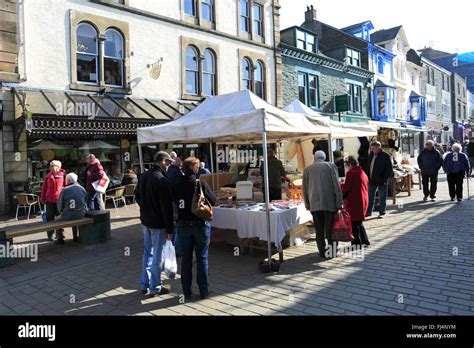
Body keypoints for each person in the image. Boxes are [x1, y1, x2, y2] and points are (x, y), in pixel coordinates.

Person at [173, 157, 217, 300]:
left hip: (183, 225)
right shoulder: (200, 183)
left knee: (186, 259)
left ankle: (187, 292)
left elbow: (174, 202)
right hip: (200, 224)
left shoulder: (177, 184)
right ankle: (203, 291)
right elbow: (214, 200)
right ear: (195, 168)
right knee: (202, 258)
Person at [135, 151, 174, 297]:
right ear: (163, 161)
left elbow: (137, 196)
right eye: (169, 163)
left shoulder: (144, 175)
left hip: (146, 220)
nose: (169, 166)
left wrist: (146, 209)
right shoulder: (162, 180)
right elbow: (166, 207)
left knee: (148, 253)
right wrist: (170, 228)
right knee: (157, 255)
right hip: (157, 223)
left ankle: (144, 284)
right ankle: (155, 287)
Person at [303, 151, 343, 259]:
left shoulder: (307, 169)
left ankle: (322, 251)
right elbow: (336, 186)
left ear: (315, 158)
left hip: (314, 204)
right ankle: (332, 251)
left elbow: (305, 189)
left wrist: (307, 204)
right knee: (331, 229)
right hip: (329, 203)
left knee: (319, 230)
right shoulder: (331, 166)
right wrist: (339, 203)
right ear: (324, 158)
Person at [341, 156, 370, 247]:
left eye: (347, 165)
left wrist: (341, 196)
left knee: (354, 223)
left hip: (355, 200)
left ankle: (357, 242)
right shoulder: (362, 172)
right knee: (358, 222)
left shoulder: (351, 173)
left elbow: (347, 188)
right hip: (363, 199)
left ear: (349, 164)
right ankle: (365, 240)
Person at [55, 173, 88, 244]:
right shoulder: (82, 188)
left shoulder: (65, 190)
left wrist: (61, 212)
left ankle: (59, 239)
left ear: (68, 181)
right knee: (75, 214)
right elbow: (85, 200)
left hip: (68, 215)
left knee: (56, 220)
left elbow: (60, 204)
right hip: (81, 214)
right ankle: (75, 236)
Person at [366, 142, 394, 218]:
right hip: (372, 180)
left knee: (382, 197)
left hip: (382, 180)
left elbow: (389, 170)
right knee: (370, 197)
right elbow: (368, 166)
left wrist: (384, 179)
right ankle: (369, 212)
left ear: (378, 148)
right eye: (371, 148)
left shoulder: (386, 156)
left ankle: (382, 212)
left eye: (373, 148)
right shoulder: (371, 154)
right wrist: (368, 177)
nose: (372, 150)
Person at [40, 160, 65, 243]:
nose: (50, 167)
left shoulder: (63, 175)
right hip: (49, 200)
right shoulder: (48, 176)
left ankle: (60, 235)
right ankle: (50, 234)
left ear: (58, 167)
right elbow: (44, 188)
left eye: (52, 166)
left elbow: (65, 187)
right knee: (49, 218)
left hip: (59, 200)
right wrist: (42, 198)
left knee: (59, 217)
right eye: (50, 166)